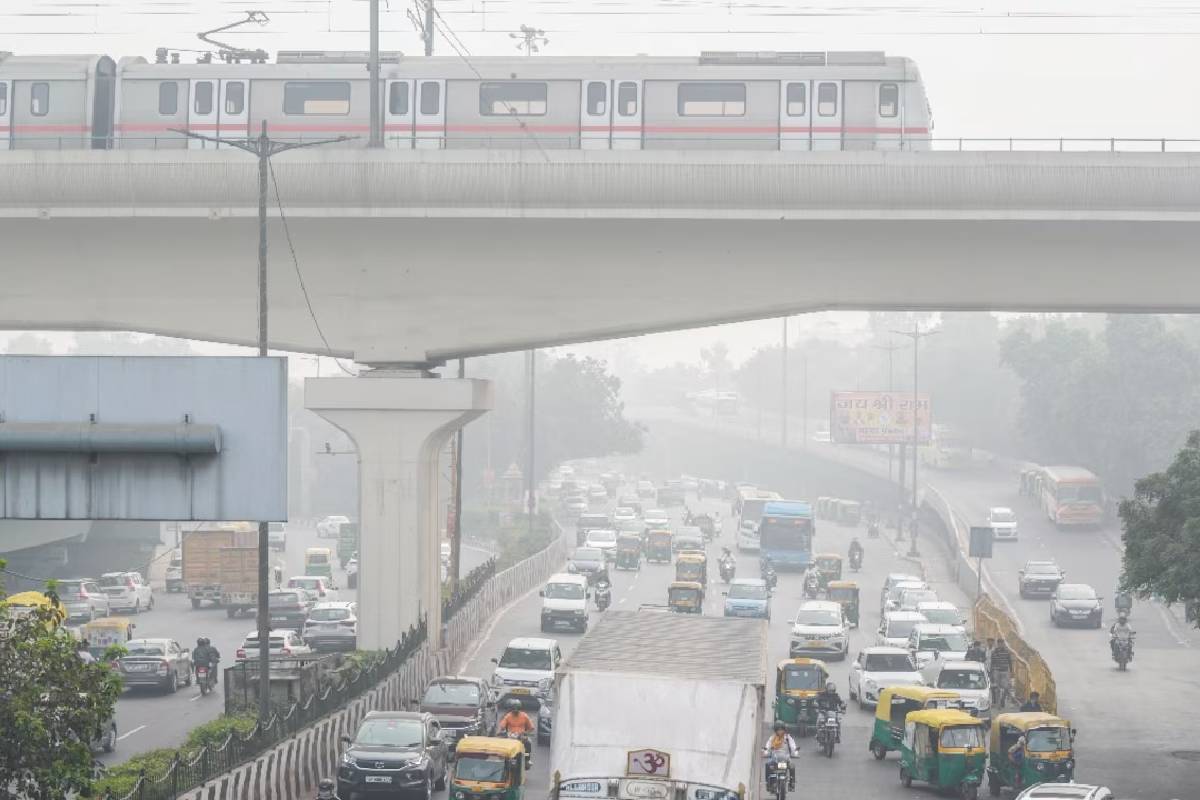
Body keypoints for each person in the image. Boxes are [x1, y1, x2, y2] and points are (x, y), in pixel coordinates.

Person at [761, 722, 798, 790]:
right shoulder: (772, 738)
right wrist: (765, 752)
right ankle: (769, 784)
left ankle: (791, 784)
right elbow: (768, 746)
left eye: (781, 729)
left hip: (785, 759)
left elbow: (793, 746)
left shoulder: (788, 738)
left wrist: (795, 753)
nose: (780, 731)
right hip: (775, 759)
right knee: (768, 765)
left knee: (792, 766)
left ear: (784, 730)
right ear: (776, 730)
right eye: (778, 730)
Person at [497, 699, 535, 765]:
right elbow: (502, 726)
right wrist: (500, 731)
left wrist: (526, 733)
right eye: (514, 709)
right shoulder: (508, 716)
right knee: (501, 743)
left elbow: (531, 727)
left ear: (520, 709)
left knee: (528, 744)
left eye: (517, 708)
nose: (515, 710)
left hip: (521, 737)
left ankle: (527, 759)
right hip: (510, 736)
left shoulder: (524, 716)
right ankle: (502, 758)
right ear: (511, 709)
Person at [990, 638, 1013, 706]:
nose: (1001, 645)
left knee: (1006, 687)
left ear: (1003, 644)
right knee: (997, 688)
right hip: (996, 671)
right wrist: (992, 672)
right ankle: (998, 703)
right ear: (998, 644)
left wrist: (1011, 671)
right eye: (999, 643)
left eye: (1002, 643)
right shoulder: (994, 652)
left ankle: (1003, 699)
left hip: (1005, 671)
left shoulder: (1007, 652)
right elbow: (992, 662)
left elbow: (1010, 662)